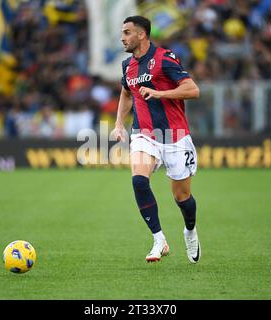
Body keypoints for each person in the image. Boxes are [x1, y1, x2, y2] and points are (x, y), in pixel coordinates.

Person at [112, 16, 201, 263]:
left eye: (127, 32)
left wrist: (159, 93)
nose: (122, 37)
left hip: (175, 136)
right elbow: (126, 93)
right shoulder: (127, 65)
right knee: (139, 181)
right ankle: (159, 239)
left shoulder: (164, 58)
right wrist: (119, 123)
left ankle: (190, 231)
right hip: (144, 134)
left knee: (182, 198)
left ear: (142, 35)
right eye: (122, 32)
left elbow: (193, 90)